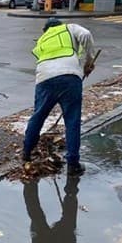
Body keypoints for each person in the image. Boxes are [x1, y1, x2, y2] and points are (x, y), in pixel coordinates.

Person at [23, 17, 96, 176]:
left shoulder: (42, 40)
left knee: (38, 116)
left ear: (46, 29)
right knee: (72, 121)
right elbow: (86, 34)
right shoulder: (70, 27)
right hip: (70, 78)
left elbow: (45, 60)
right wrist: (88, 62)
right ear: (59, 25)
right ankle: (73, 165)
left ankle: (27, 153)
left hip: (44, 79)